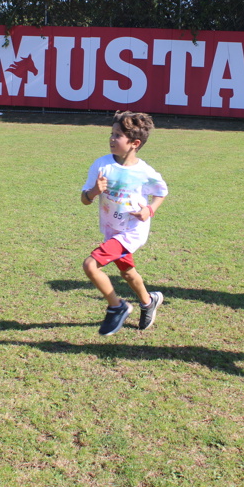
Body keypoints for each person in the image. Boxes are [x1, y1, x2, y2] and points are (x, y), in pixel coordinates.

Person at [82, 111, 168, 336]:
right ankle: (148, 301)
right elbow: (84, 199)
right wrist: (94, 191)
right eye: (111, 133)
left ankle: (117, 306)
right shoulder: (102, 165)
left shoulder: (144, 171)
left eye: (118, 135)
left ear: (134, 143)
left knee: (91, 265)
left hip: (132, 232)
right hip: (112, 230)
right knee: (128, 273)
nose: (112, 138)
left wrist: (149, 209)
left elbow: (161, 192)